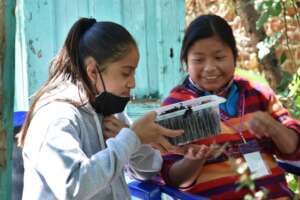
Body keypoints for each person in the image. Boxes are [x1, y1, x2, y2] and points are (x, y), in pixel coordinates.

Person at [18, 18, 183, 200]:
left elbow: (149, 170)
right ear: (93, 72)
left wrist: (132, 140)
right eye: (126, 73)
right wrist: (131, 138)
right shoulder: (56, 116)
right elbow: (72, 188)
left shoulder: (105, 107)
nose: (133, 83)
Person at [160, 14, 300, 200]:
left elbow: (293, 149)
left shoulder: (257, 94)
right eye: (198, 60)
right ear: (186, 61)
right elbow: (172, 178)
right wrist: (194, 161)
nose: (209, 68)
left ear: (235, 56)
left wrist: (274, 128)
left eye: (219, 57)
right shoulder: (179, 105)